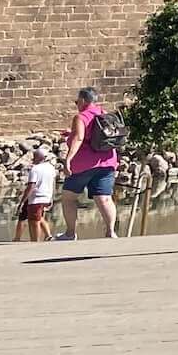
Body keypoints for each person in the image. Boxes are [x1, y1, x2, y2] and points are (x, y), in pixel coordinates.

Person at [57, 87, 119, 240]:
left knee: (69, 198)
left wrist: (68, 159)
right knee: (104, 197)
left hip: (84, 164)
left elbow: (79, 138)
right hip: (107, 161)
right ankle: (111, 232)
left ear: (83, 101)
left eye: (76, 101)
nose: (76, 104)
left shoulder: (81, 117)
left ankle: (70, 233)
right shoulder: (105, 115)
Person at [17, 145, 56, 241]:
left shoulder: (35, 169)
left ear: (39, 157)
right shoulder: (51, 168)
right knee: (39, 217)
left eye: (34, 156)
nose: (32, 158)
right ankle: (48, 236)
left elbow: (31, 186)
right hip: (46, 197)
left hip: (36, 198)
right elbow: (53, 183)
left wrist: (22, 201)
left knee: (33, 221)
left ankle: (35, 241)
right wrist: (52, 197)